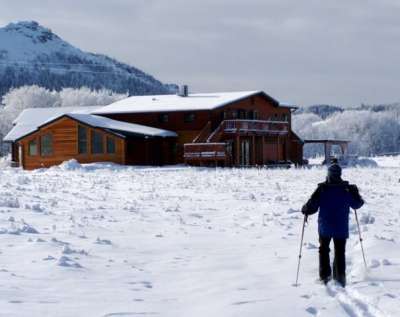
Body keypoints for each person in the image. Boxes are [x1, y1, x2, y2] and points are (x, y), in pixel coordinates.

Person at [301, 162, 364, 287]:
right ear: (339, 175)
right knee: (340, 252)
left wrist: (305, 209)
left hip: (325, 227)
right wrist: (355, 192)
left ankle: (324, 277)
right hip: (341, 227)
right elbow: (357, 204)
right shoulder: (346, 190)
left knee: (324, 250)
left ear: (328, 175)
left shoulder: (322, 189)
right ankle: (340, 278)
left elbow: (311, 206)